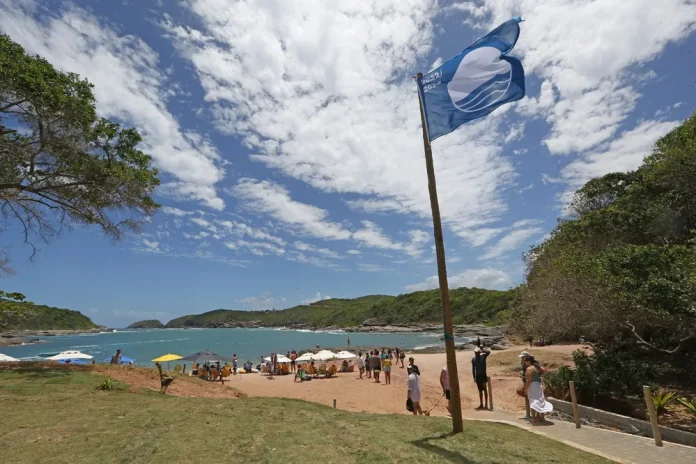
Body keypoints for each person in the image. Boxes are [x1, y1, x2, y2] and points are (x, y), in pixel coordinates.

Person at [523, 355, 553, 422]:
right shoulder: (536, 367)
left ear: (528, 361)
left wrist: (526, 389)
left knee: (533, 401)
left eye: (525, 361)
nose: (524, 362)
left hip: (532, 386)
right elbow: (543, 370)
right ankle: (542, 417)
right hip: (538, 385)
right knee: (541, 400)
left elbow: (529, 380)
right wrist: (539, 375)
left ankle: (534, 418)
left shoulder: (529, 369)